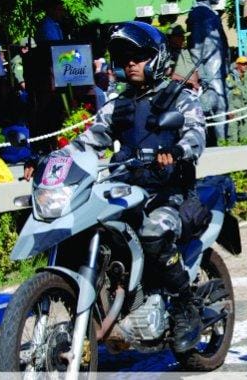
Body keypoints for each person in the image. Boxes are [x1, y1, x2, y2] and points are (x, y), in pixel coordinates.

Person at [23, 21, 206, 352]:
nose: (130, 63)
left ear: (157, 57)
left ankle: (184, 307)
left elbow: (195, 134)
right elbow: (88, 142)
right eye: (124, 58)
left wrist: (177, 152)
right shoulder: (117, 104)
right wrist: (49, 160)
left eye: (137, 56)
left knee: (153, 233)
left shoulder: (179, 98)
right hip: (125, 189)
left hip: (168, 192)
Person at [188, 0, 229, 145]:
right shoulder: (200, 13)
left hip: (218, 67)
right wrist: (201, 72)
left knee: (222, 107)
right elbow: (196, 46)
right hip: (210, 70)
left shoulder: (210, 12)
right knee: (217, 107)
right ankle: (219, 145)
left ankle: (222, 143)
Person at [226, 56, 247, 144]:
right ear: (237, 65)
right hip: (234, 110)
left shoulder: (245, 77)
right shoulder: (231, 77)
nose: (245, 66)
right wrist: (230, 110)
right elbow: (229, 93)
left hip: (243, 110)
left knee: (244, 135)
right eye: (243, 64)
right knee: (233, 135)